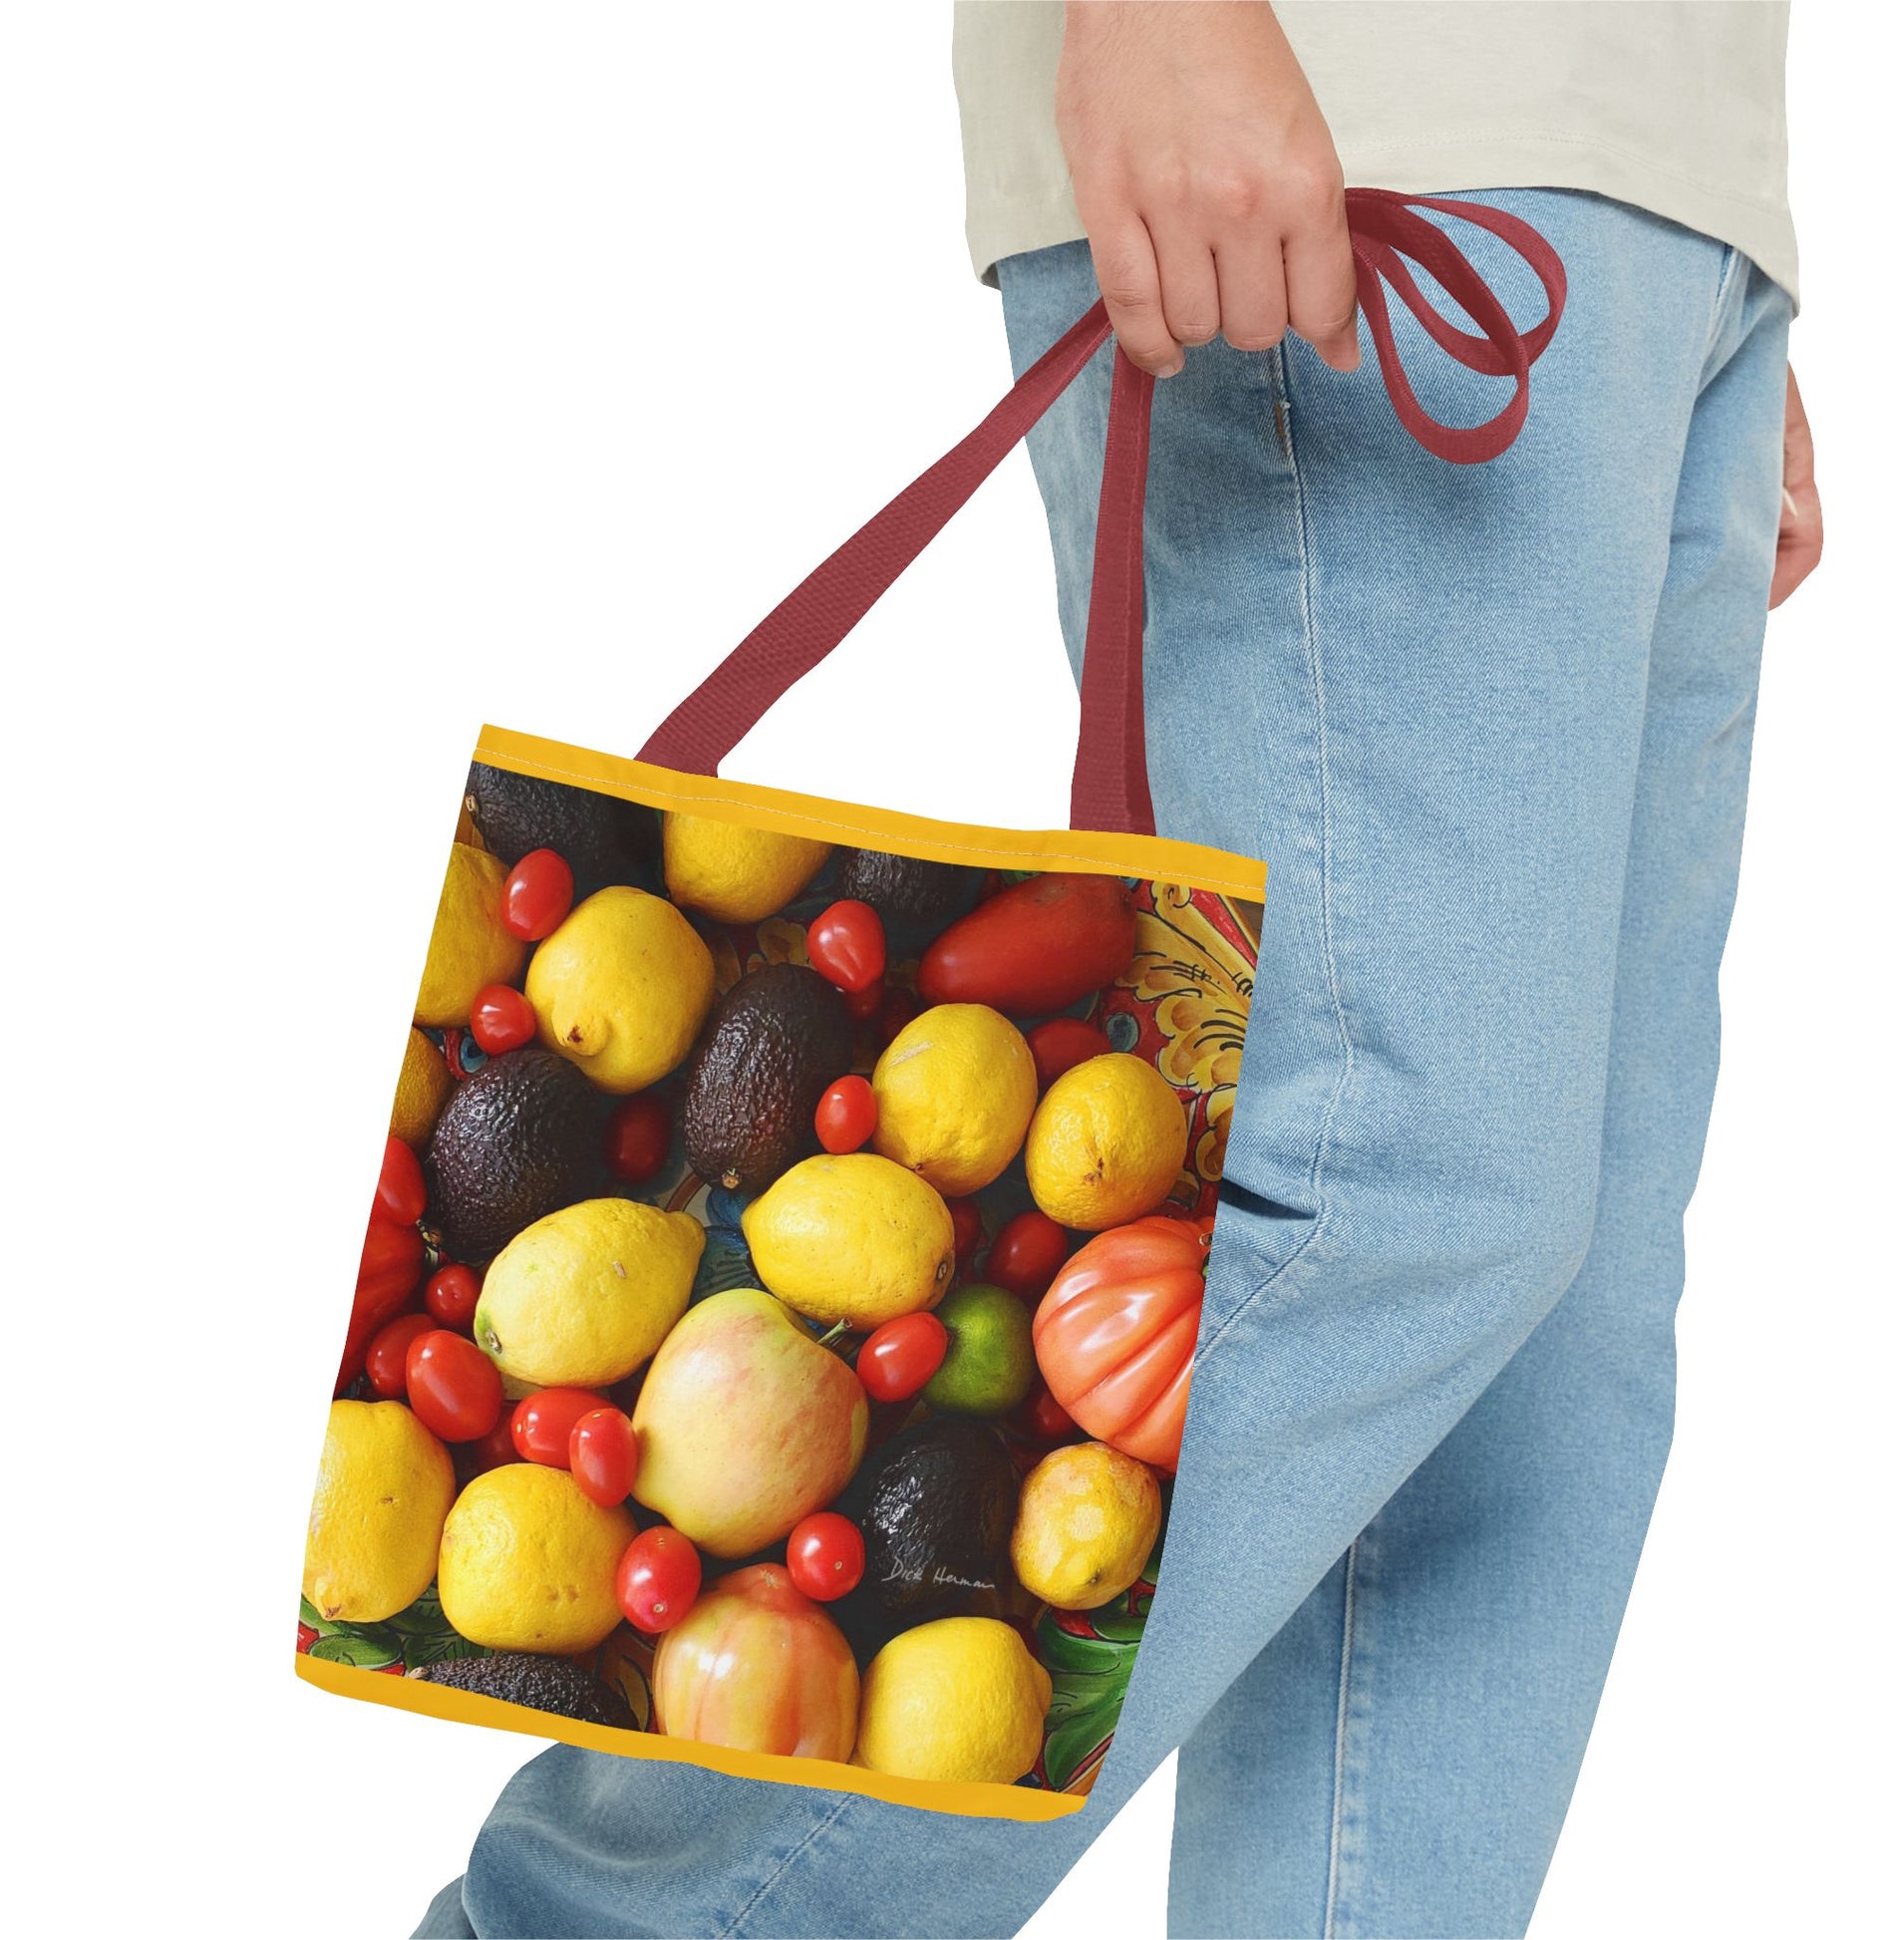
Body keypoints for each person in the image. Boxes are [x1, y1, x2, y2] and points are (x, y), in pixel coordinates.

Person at [419, 4, 1821, 1934]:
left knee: (1540, 1354)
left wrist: (1700, 237)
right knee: (1392, 1195)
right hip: (1364, 113)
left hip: (1644, 190)